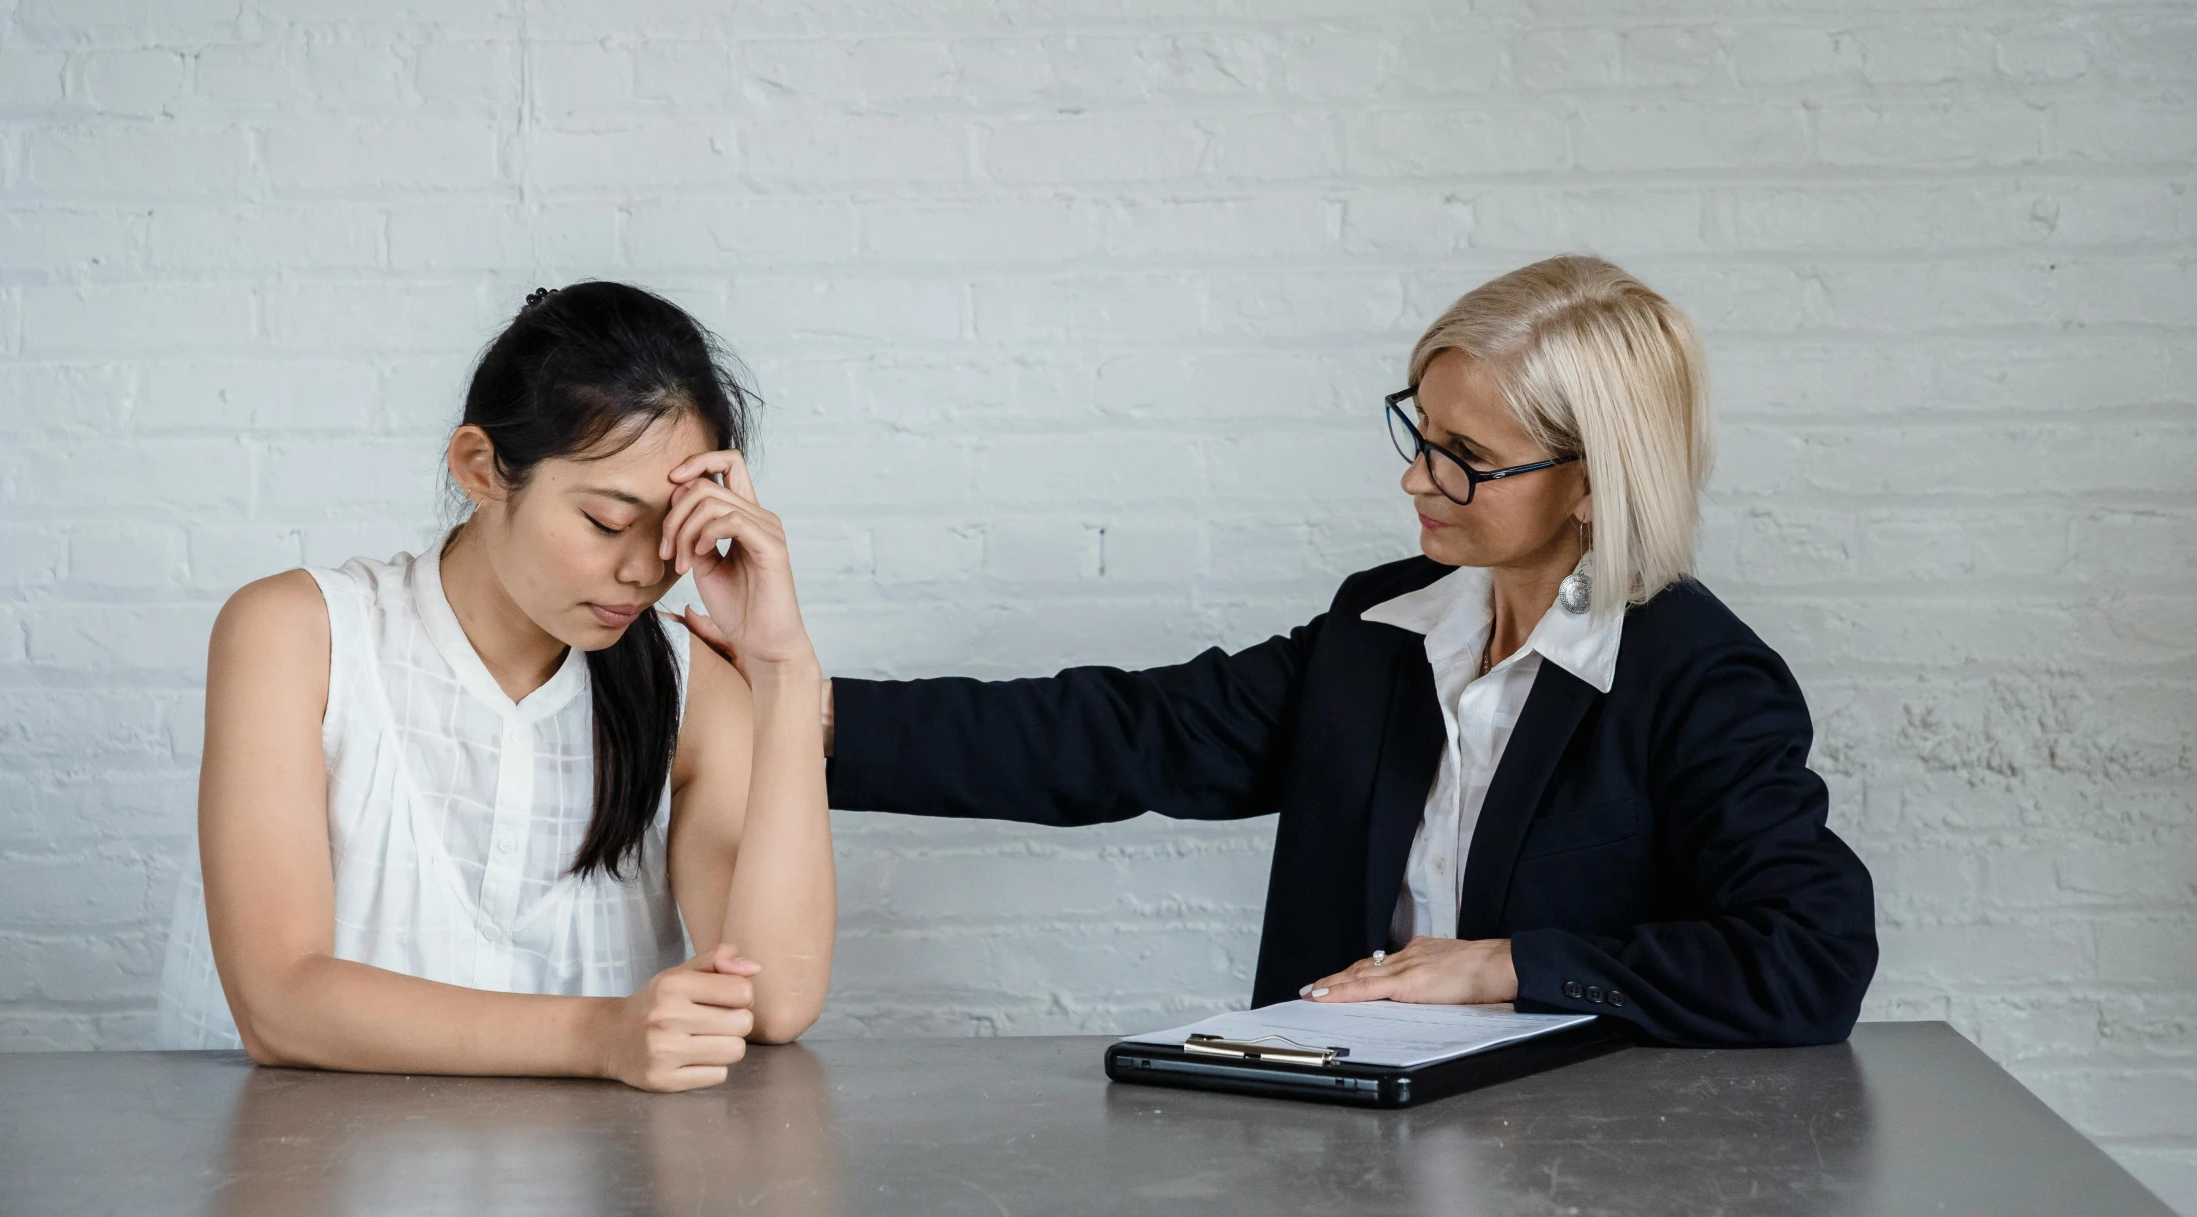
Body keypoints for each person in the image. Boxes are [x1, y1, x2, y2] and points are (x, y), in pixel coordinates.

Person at [748, 255, 1873, 1045]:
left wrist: (1504, 964)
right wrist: (795, 707)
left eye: (1465, 458)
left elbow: (1808, 957)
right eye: (1419, 435)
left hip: (1568, 1166)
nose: (1415, 479)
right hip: (1347, 1161)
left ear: (1589, 483)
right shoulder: (1380, 631)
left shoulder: (1695, 678)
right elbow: (1132, 734)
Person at [155, 282, 834, 1091]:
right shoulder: (298, 636)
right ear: (481, 468)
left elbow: (773, 1001)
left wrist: (784, 669)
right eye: (609, 523)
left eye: (674, 527)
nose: (646, 568)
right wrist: (600, 1033)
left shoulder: (690, 694)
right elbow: (278, 1003)